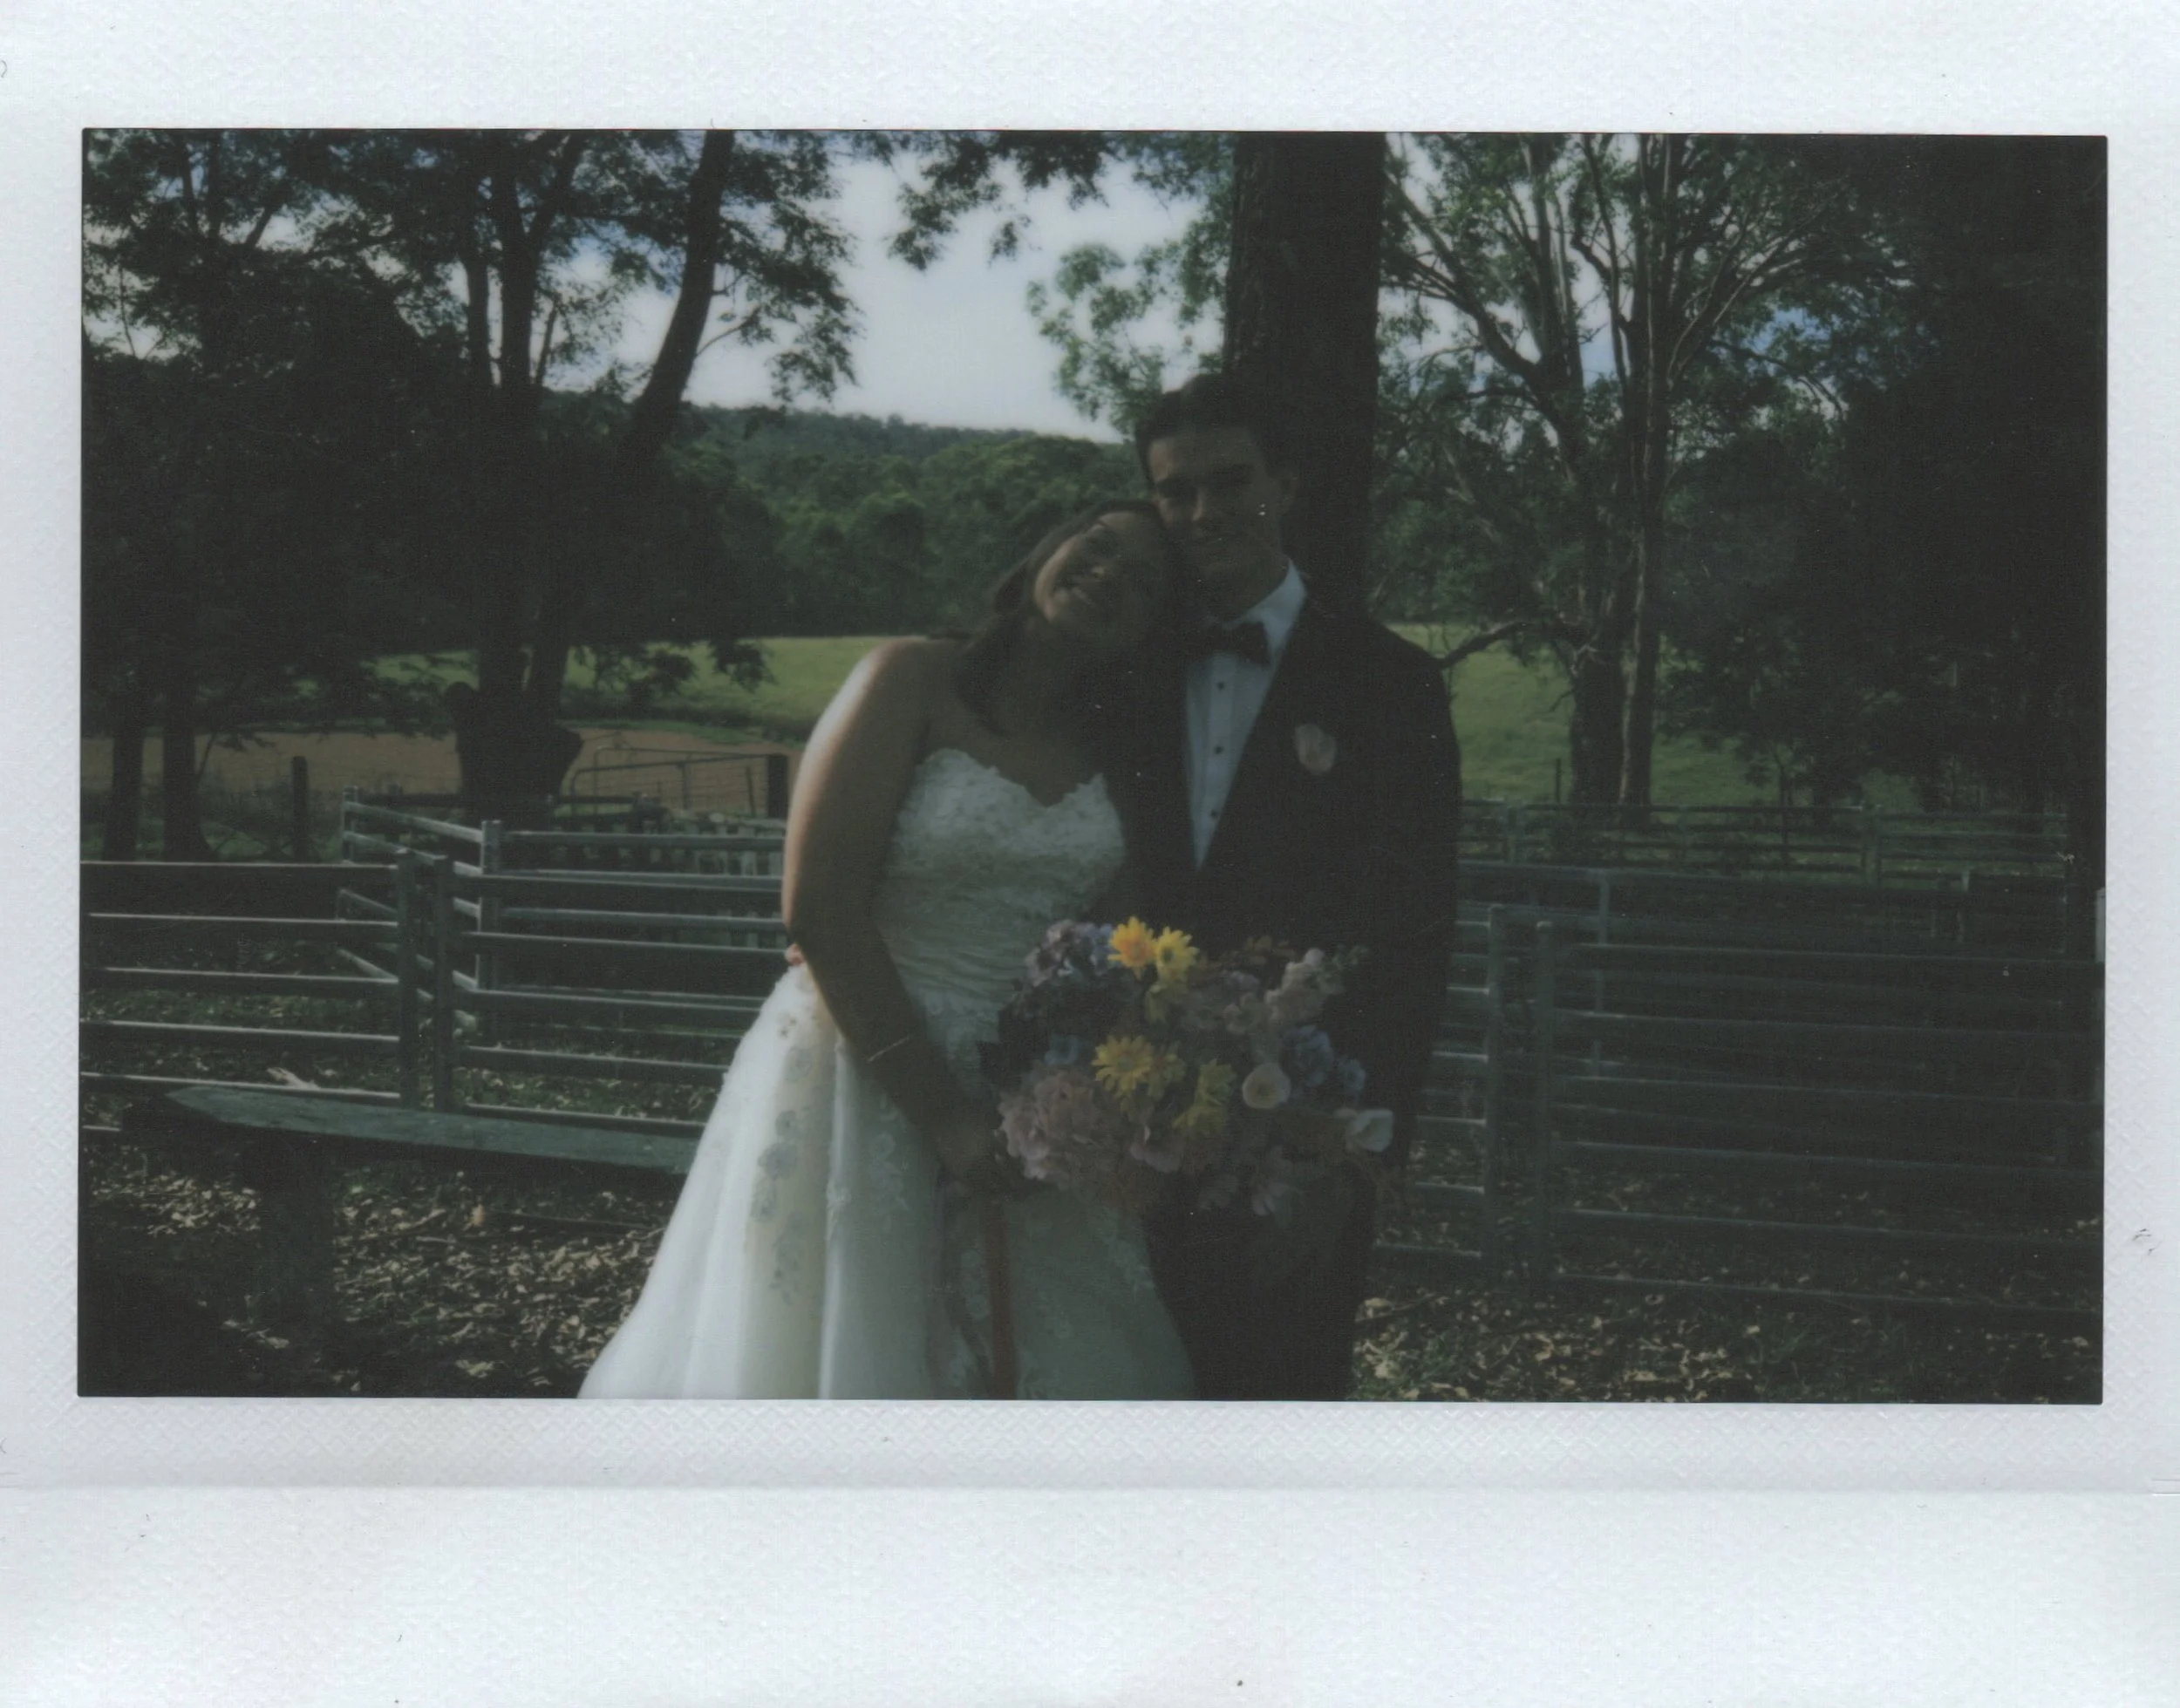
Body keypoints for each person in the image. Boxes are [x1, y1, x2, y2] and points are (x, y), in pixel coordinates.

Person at [581, 502, 1196, 1399]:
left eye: (1143, 583)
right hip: (859, 1060)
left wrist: (1070, 1109)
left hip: (1024, 1103)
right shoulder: (909, 679)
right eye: (1097, 547)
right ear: (1044, 550)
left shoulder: (1120, 751)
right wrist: (941, 1113)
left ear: (1152, 628)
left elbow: (1113, 958)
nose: (1109, 577)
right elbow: (820, 908)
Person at [1119, 372, 1463, 1400]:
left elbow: (1414, 930)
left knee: (1278, 1413)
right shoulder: (1123, 667)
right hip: (1123, 1126)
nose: (1203, 512)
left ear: (1289, 484)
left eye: (1231, 482)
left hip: (1300, 1134)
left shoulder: (1388, 682)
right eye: (1175, 492)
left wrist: (1359, 1151)